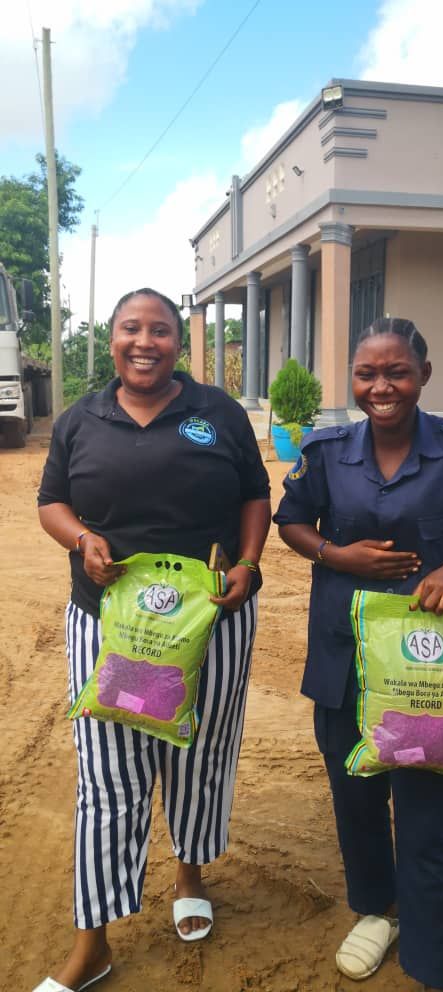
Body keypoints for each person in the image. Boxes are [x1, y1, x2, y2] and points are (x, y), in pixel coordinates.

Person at [35, 288, 271, 992]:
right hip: (109, 626)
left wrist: (249, 564)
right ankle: (93, 944)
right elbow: (51, 502)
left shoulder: (217, 413)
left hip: (211, 623)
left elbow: (255, 495)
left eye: (161, 330)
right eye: (131, 329)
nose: (146, 342)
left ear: (178, 342)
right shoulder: (81, 419)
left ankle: (189, 873)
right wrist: (82, 540)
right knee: (108, 776)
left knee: (200, 753)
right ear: (112, 338)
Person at [273, 317, 443, 992]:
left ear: (423, 374)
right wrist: (335, 554)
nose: (381, 386)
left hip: (428, 668)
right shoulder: (326, 450)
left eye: (397, 371)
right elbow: (290, 521)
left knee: (427, 814)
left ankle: (431, 964)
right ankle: (377, 910)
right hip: (342, 656)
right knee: (356, 796)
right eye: (366, 373)